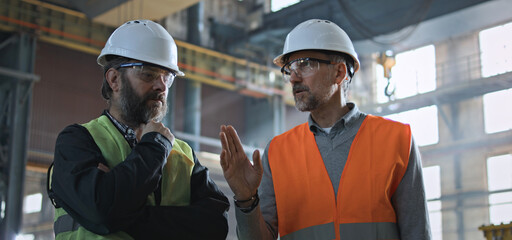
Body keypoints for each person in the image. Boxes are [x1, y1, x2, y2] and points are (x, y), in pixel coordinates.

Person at [219, 19, 431, 240]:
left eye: (305, 64)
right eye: (289, 68)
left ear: (339, 73)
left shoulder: (397, 140)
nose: (293, 77)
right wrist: (246, 199)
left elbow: (418, 234)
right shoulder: (277, 153)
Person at [47, 19, 229, 240]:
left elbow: (215, 226)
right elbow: (100, 210)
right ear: (114, 79)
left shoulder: (183, 154)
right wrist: (155, 146)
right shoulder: (77, 141)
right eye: (148, 74)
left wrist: (123, 212)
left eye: (167, 77)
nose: (161, 86)